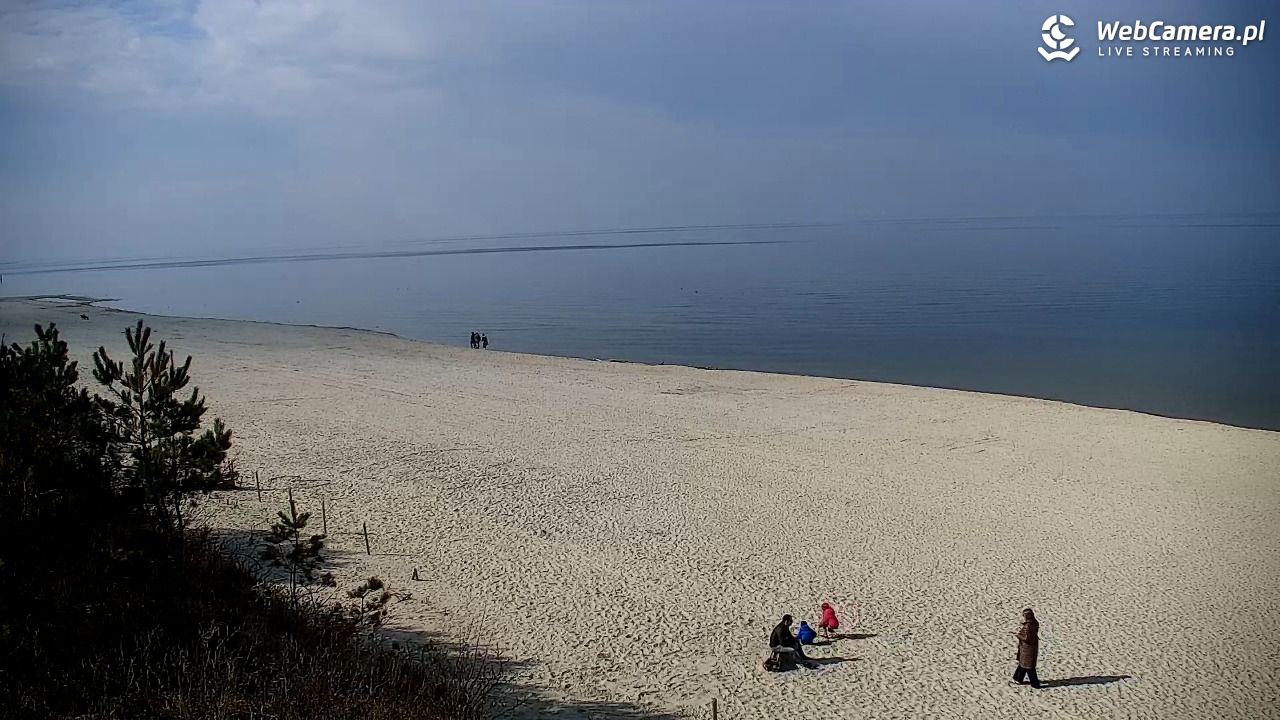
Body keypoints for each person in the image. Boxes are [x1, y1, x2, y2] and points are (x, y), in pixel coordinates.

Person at [1011, 608, 1042, 688]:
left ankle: (1035, 684)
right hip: (1031, 647)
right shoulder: (1034, 622)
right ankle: (1017, 678)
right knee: (1023, 664)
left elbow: (1026, 638)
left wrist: (1018, 635)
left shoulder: (1028, 626)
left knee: (1029, 667)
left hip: (1027, 649)